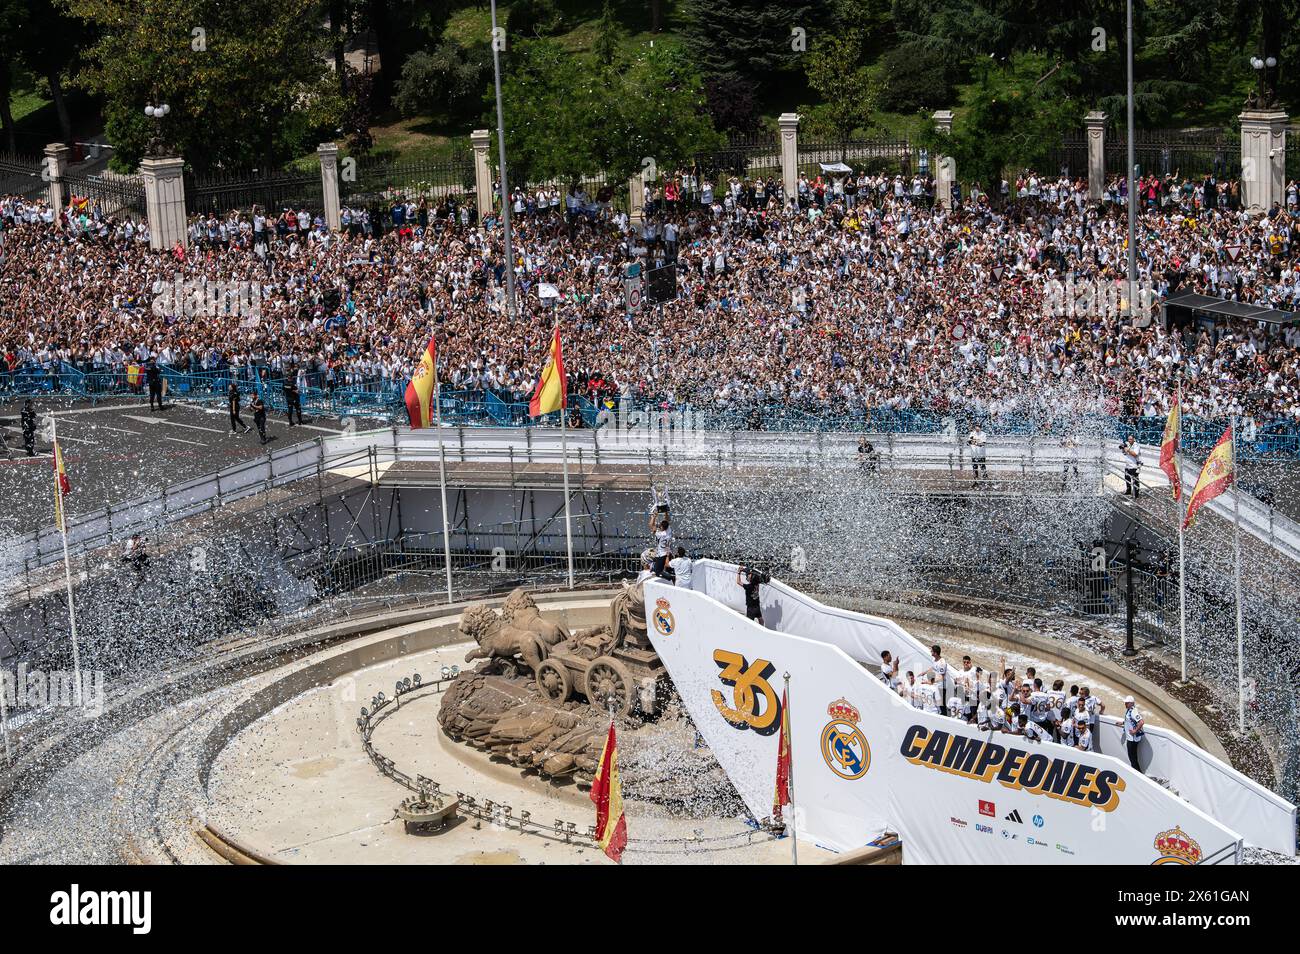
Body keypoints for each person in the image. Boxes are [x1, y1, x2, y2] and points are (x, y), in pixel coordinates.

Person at [1122, 695, 1146, 771]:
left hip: (1132, 739)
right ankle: (1137, 773)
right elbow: (1130, 721)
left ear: (1132, 703)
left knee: (1132, 758)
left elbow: (1141, 722)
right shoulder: (1129, 710)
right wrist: (1122, 723)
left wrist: (1135, 731)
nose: (1125, 704)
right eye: (1125, 703)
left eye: (1127, 703)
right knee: (1133, 758)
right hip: (1131, 738)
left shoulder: (1133, 711)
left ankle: (1137, 773)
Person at [648, 511, 674, 577]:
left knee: (658, 572)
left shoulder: (660, 534)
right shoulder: (669, 531)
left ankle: (663, 583)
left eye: (660, 526)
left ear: (662, 527)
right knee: (667, 570)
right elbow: (667, 521)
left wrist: (654, 516)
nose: (659, 526)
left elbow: (651, 526)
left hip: (661, 555)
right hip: (668, 553)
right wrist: (666, 512)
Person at [1121, 434, 1141, 498]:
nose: (1129, 440)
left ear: (1134, 439)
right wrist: (1123, 448)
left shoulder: (1136, 445)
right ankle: (1128, 491)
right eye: (1128, 439)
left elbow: (1135, 454)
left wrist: (1128, 450)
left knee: (1135, 480)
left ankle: (1136, 494)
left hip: (1134, 465)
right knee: (1127, 479)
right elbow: (1124, 453)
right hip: (1127, 465)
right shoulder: (1127, 444)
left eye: (1131, 439)